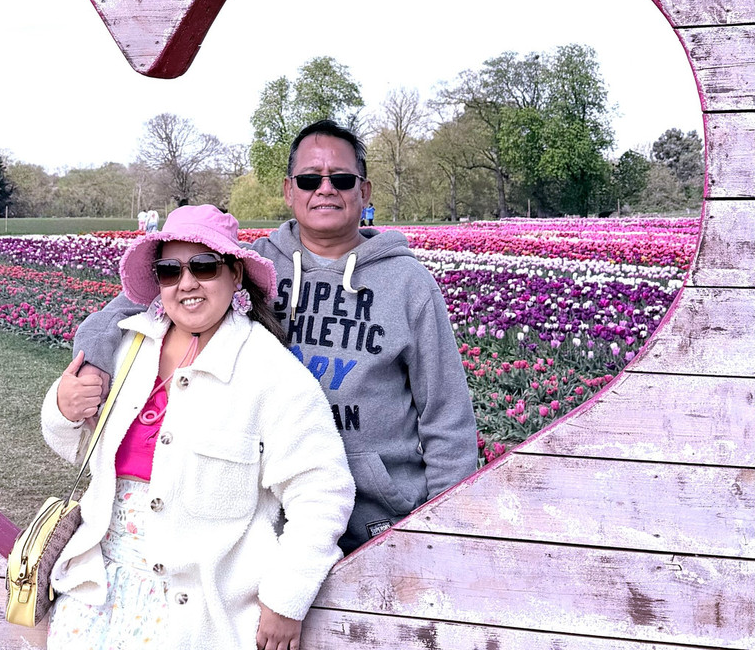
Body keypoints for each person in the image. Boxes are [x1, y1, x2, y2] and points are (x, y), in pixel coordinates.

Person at [72, 120, 477, 553]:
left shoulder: (408, 283)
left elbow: (446, 415)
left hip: (379, 521)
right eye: (309, 179)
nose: (325, 189)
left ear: (365, 191)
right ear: (289, 191)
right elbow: (125, 309)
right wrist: (91, 361)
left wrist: (441, 529)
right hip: (264, 517)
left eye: (341, 179)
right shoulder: (244, 267)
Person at [41, 204, 353, 650]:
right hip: (96, 597)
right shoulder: (131, 346)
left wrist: (286, 599)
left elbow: (323, 492)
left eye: (203, 267)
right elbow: (74, 447)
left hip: (197, 615)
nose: (186, 283)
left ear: (236, 275)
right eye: (170, 270)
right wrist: (63, 407)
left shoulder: (270, 372)